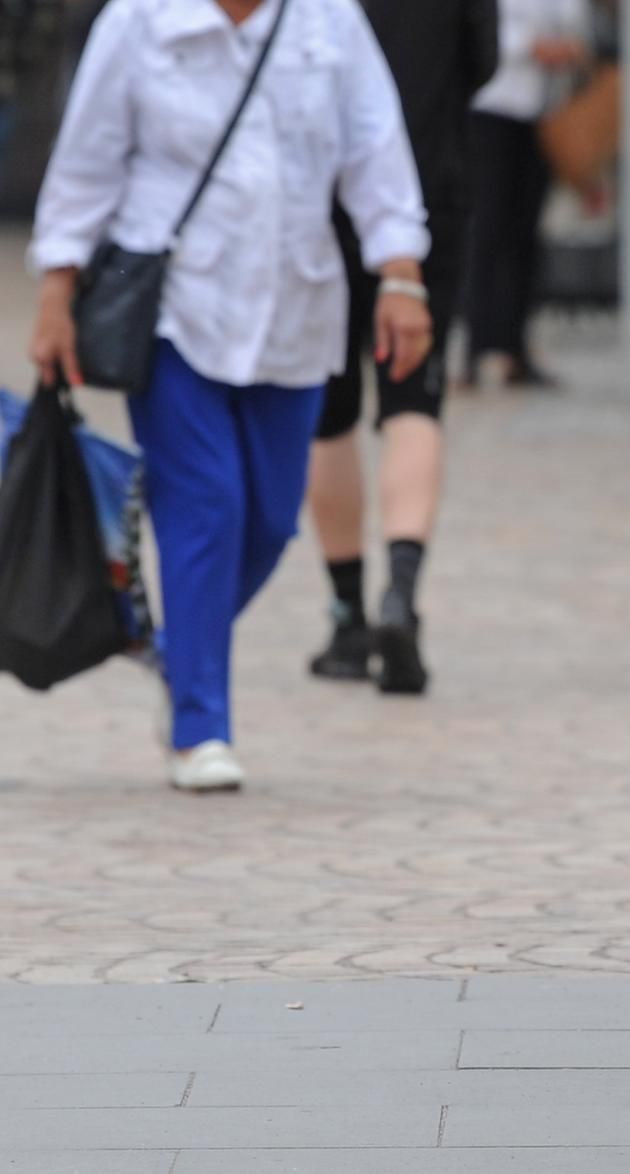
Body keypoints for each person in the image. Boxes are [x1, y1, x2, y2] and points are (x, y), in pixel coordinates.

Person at [28, 0, 432, 791]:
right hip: (176, 308)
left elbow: (376, 150)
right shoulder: (141, 21)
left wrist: (401, 274)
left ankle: (180, 654)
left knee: (272, 520)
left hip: (296, 308)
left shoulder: (329, 22)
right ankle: (199, 725)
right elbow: (87, 162)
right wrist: (55, 289)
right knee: (205, 502)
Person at [305, 0, 498, 695]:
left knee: (329, 415)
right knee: (413, 399)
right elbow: (485, 60)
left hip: (322, 200)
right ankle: (402, 592)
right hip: (427, 189)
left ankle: (348, 613)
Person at [464, 0, 590, 392]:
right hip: (494, 107)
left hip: (543, 111)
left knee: (526, 233)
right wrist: (531, 47)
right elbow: (479, 30)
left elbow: (575, 22)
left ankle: (515, 347)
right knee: (487, 230)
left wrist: (568, 48)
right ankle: (476, 347)